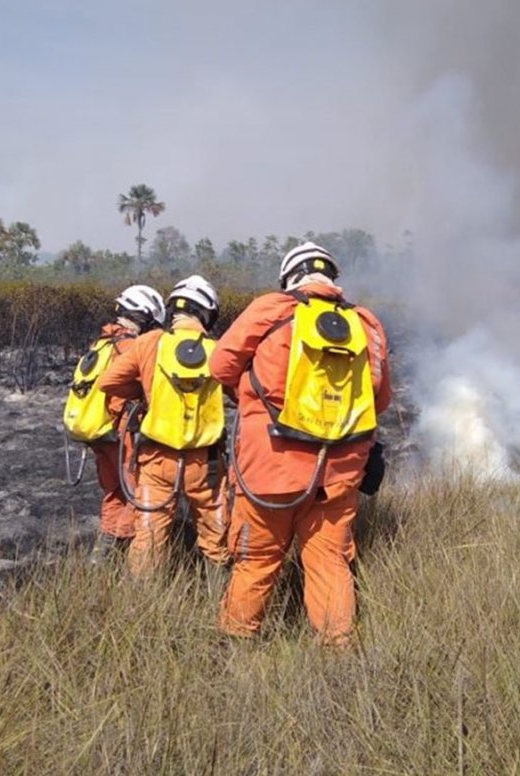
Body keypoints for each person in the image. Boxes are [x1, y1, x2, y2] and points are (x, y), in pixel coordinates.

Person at [210, 241, 391, 647]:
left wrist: (251, 391)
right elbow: (380, 399)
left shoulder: (271, 308)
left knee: (256, 560)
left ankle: (236, 646)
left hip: (268, 469)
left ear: (290, 277)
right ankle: (338, 653)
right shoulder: (368, 324)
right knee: (329, 563)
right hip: (339, 475)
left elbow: (220, 365)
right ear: (332, 278)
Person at [98, 275, 231, 582]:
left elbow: (109, 382)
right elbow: (239, 389)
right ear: (207, 313)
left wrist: (146, 392)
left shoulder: (149, 342)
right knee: (216, 537)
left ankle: (142, 607)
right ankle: (216, 604)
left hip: (156, 461)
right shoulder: (219, 348)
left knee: (149, 538)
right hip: (206, 464)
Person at [82, 284, 166, 564]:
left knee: (113, 493)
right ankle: (125, 557)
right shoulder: (132, 346)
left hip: (100, 433)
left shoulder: (100, 343)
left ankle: (100, 558)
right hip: (123, 434)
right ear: (144, 316)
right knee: (136, 494)